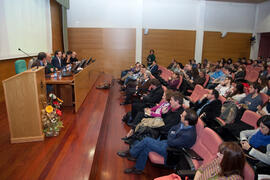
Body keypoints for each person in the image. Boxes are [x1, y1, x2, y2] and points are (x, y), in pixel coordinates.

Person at [117, 108, 198, 174]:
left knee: (147, 141)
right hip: (167, 143)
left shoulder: (188, 135)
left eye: (182, 115)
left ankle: (131, 153)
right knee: (146, 148)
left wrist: (171, 136)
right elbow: (171, 130)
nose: (180, 115)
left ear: (187, 121)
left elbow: (171, 141)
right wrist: (172, 135)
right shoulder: (184, 124)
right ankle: (138, 169)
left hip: (171, 152)